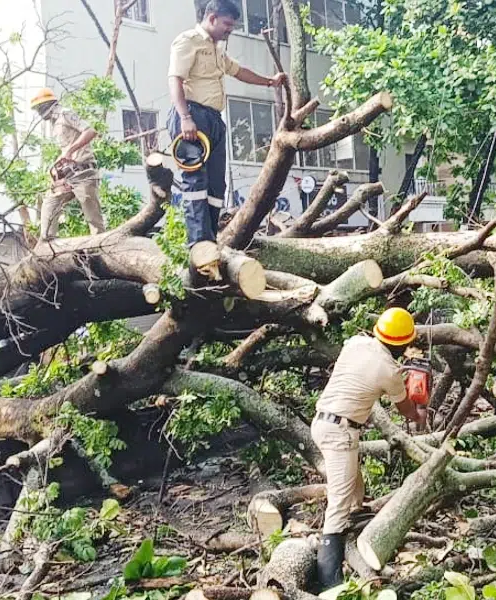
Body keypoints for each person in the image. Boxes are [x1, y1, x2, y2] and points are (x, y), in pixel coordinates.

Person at [312, 307, 428, 590]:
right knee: (339, 504)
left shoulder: (356, 343)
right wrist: (420, 412)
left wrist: (399, 372)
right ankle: (329, 582)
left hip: (323, 422)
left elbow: (368, 371)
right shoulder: (389, 372)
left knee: (355, 494)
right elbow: (406, 410)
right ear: (402, 344)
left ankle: (357, 537)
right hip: (341, 433)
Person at [166, 0, 287, 246]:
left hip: (214, 119)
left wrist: (269, 82)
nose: (230, 30)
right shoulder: (188, 41)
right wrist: (185, 118)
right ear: (211, 18)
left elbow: (238, 71)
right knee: (195, 182)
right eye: (227, 24)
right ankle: (198, 245)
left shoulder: (217, 49)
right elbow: (174, 79)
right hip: (192, 116)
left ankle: (210, 241)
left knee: (216, 185)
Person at [29, 88, 105, 241]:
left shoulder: (65, 113)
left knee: (94, 220)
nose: (38, 113)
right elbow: (65, 149)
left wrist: (71, 150)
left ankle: (102, 251)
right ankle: (48, 246)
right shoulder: (54, 123)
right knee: (50, 204)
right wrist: (57, 166)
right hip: (68, 176)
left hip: (84, 173)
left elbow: (90, 131)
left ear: (46, 105)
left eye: (38, 109)